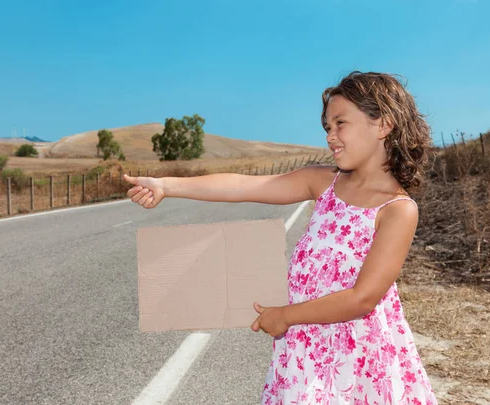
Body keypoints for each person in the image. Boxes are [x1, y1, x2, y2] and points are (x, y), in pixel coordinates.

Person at [123, 71, 438, 405]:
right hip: (305, 351)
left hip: (357, 359)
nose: (331, 136)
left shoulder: (397, 210)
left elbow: (363, 298)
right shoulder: (323, 183)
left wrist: (285, 315)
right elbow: (244, 186)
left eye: (340, 123)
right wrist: (167, 186)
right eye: (327, 128)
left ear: (383, 124)